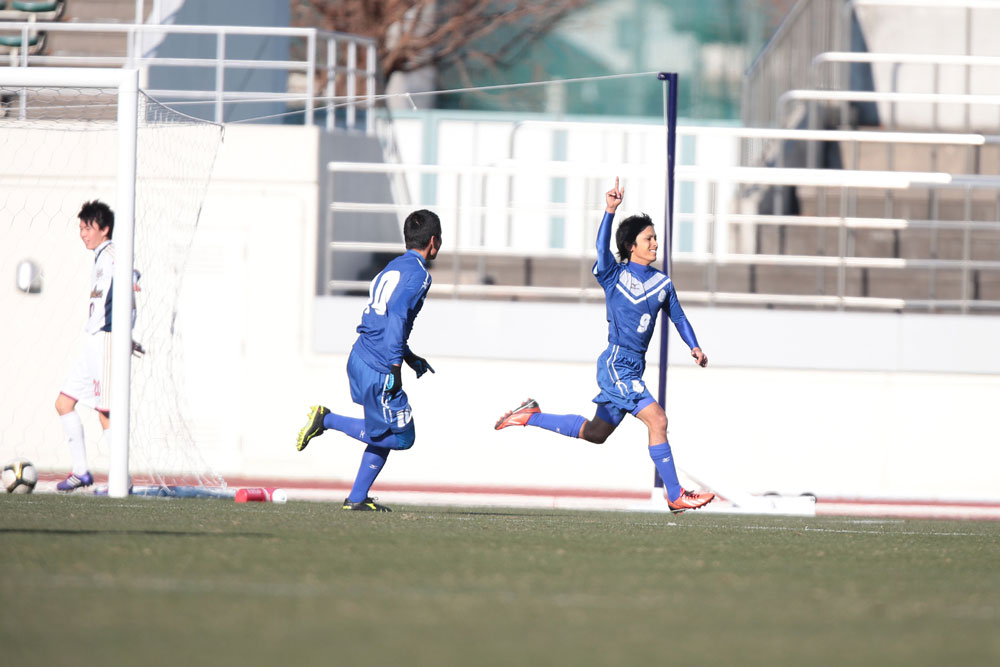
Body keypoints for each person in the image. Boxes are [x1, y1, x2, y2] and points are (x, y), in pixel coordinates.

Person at [495, 178, 715, 513]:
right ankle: (675, 494)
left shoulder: (662, 283)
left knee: (596, 433)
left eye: (655, 237)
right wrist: (610, 211)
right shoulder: (614, 275)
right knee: (658, 420)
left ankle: (530, 416)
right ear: (631, 246)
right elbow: (600, 250)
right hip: (616, 364)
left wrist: (694, 346)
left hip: (633, 366)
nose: (655, 243)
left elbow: (679, 317)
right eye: (649, 238)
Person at [295, 209, 442, 512]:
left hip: (361, 356)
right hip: (379, 367)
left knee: (383, 429)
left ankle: (357, 498)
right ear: (433, 241)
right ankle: (326, 419)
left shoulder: (393, 267)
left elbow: (385, 319)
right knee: (402, 437)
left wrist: (409, 356)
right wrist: (396, 366)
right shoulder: (419, 275)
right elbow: (398, 319)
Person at [55, 200, 141, 492]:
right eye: (80, 228)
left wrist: (124, 333)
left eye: (87, 227)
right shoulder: (100, 256)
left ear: (104, 229)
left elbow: (131, 277)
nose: (82, 233)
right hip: (92, 339)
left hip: (106, 339)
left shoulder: (115, 252)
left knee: (106, 411)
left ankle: (121, 481)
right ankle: (81, 472)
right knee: (64, 403)